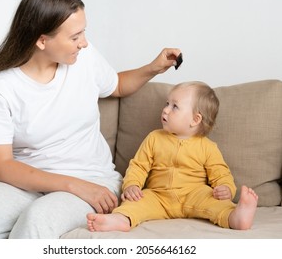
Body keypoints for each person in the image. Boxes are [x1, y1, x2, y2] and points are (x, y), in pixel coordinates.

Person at [0, 0, 182, 239]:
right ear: (42, 40)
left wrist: (154, 67)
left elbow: (116, 85)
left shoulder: (83, 59)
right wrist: (73, 185)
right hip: (25, 183)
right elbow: (2, 167)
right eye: (75, 37)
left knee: (37, 221)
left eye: (83, 33)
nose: (84, 43)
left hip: (92, 178)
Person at [87, 81, 259, 232]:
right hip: (158, 195)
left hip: (194, 194)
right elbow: (138, 166)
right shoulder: (154, 138)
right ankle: (121, 219)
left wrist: (225, 188)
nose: (165, 109)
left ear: (195, 119)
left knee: (215, 203)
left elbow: (221, 173)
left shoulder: (207, 147)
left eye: (174, 106)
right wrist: (132, 185)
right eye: (167, 103)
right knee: (135, 203)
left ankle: (236, 217)